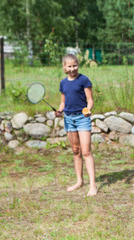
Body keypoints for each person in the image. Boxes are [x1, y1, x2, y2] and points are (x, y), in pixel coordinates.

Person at [55, 54, 98, 197]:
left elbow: (90, 100)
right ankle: (79, 181)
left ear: (78, 65)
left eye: (75, 65)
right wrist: (60, 110)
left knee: (86, 152)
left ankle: (93, 185)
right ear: (64, 67)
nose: (72, 68)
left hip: (82, 118)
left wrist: (88, 110)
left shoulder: (84, 80)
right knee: (75, 151)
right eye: (69, 66)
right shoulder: (63, 83)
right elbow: (63, 102)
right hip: (68, 119)